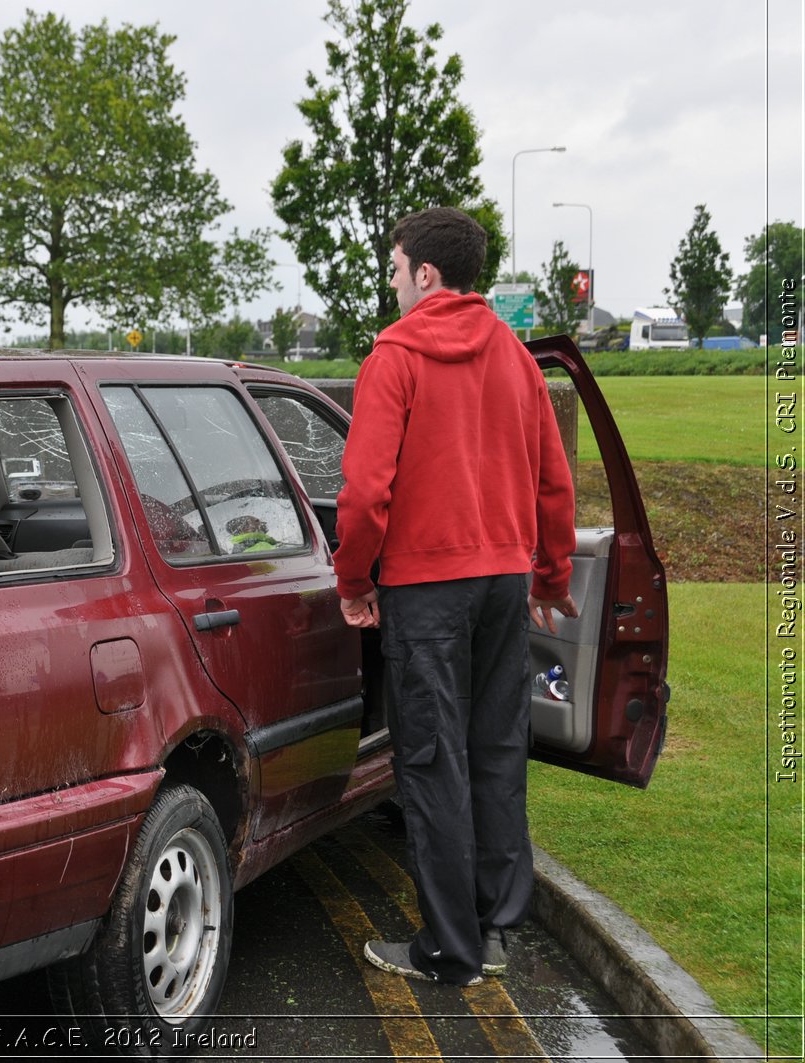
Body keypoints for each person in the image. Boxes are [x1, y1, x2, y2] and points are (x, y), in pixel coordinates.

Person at [332, 207, 577, 988]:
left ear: (425, 274)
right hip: (504, 584)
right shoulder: (515, 356)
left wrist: (354, 581)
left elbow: (365, 492)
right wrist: (552, 575)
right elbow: (553, 480)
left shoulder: (394, 355)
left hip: (427, 590)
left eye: (396, 268)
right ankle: (496, 928)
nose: (393, 281)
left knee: (433, 763)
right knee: (497, 750)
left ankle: (448, 949)